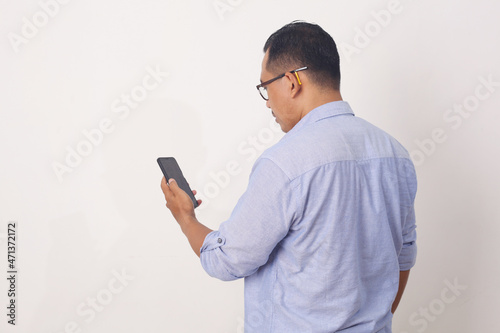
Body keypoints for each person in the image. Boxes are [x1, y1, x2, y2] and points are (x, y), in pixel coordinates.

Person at [160, 21, 417, 333]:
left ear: (292, 81)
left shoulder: (285, 162)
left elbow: (226, 260)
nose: (267, 101)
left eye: (265, 87)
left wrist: (185, 217)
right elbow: (402, 257)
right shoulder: (395, 154)